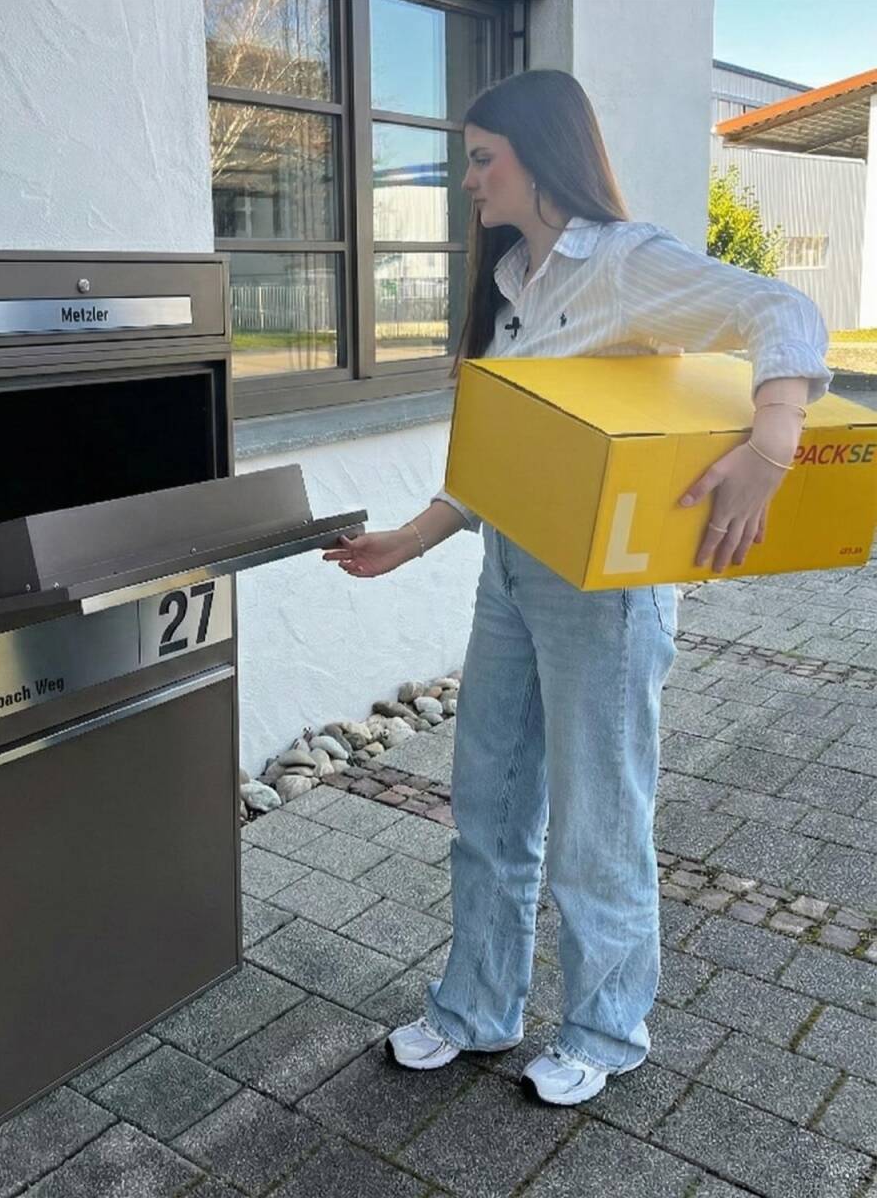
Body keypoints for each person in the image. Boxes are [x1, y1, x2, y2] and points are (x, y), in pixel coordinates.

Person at [323, 69, 830, 1107]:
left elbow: (780, 307)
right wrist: (410, 541)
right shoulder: (513, 282)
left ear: (541, 156)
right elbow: (505, 461)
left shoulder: (625, 264)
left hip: (602, 591)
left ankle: (604, 1029)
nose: (468, 180)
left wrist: (771, 446)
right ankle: (476, 1009)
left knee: (599, 822)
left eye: (481, 159)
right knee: (489, 806)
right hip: (511, 572)